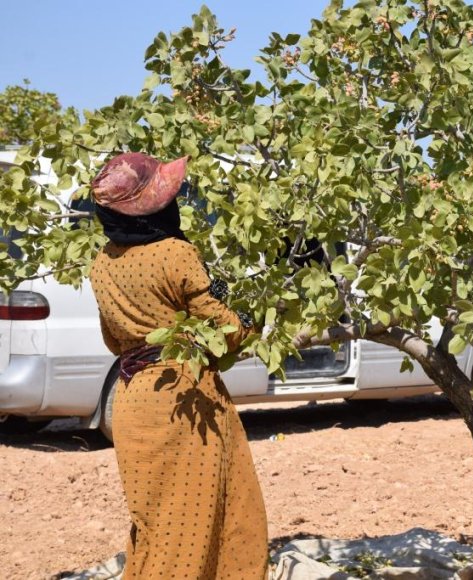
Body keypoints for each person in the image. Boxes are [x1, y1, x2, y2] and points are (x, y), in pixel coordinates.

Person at [89, 152, 268, 579]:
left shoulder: (101, 264)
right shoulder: (176, 253)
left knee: (155, 520)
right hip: (185, 399)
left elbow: (113, 340)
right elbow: (226, 330)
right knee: (207, 516)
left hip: (133, 401)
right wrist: (245, 315)